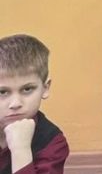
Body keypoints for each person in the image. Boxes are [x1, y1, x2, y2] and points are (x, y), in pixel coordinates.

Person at [0, 34, 68, 174]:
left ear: (45, 88)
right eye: (2, 92)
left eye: (27, 89)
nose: (15, 104)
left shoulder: (52, 141)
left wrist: (21, 150)